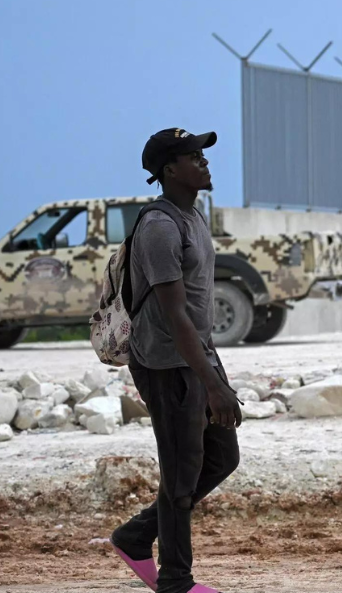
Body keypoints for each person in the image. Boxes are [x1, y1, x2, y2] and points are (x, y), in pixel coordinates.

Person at [110, 128, 244, 593]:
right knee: (181, 470)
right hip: (167, 364)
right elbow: (175, 315)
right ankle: (176, 580)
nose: (205, 162)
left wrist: (212, 372)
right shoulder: (160, 227)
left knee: (221, 456)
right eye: (194, 157)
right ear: (170, 170)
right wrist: (213, 384)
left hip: (196, 356)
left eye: (203, 155)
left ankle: (136, 535)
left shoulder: (193, 215)